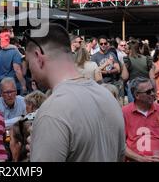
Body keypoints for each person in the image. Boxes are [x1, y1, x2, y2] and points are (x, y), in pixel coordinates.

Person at [25, 24, 125, 162]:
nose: (30, 71)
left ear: (38, 56)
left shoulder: (52, 111)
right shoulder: (108, 97)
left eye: (28, 62)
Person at [122, 77, 159, 162]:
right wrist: (141, 159)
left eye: (153, 90)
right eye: (148, 92)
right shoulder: (125, 112)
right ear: (137, 95)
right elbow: (120, 145)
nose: (153, 94)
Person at [91, 36, 123, 101]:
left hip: (112, 83)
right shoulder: (94, 57)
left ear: (107, 44)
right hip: (101, 84)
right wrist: (106, 65)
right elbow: (94, 71)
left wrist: (107, 72)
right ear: (98, 44)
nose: (103, 45)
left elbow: (118, 69)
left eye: (105, 43)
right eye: (101, 44)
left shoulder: (112, 54)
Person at [0, 31, 27, 95]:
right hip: (13, 85)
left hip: (1, 85)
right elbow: (17, 70)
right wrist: (23, 84)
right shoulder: (15, 52)